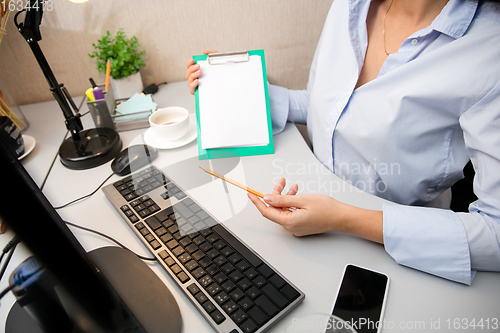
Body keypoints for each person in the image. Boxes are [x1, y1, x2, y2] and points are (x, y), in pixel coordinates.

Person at [186, 0, 500, 285]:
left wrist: (342, 218)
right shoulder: (349, 6)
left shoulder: (488, 49)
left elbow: (495, 235)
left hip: (395, 256)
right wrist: (241, 89)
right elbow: (331, 106)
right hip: (311, 223)